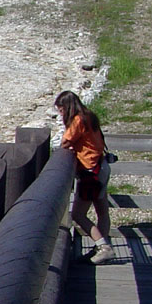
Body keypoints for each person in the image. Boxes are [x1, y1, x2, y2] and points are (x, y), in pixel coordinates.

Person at [55, 90, 113, 263]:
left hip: (90, 172)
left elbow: (66, 141)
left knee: (78, 214)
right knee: (102, 211)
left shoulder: (78, 120)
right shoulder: (90, 116)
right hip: (101, 167)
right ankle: (101, 247)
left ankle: (103, 247)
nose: (60, 114)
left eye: (61, 110)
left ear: (67, 107)